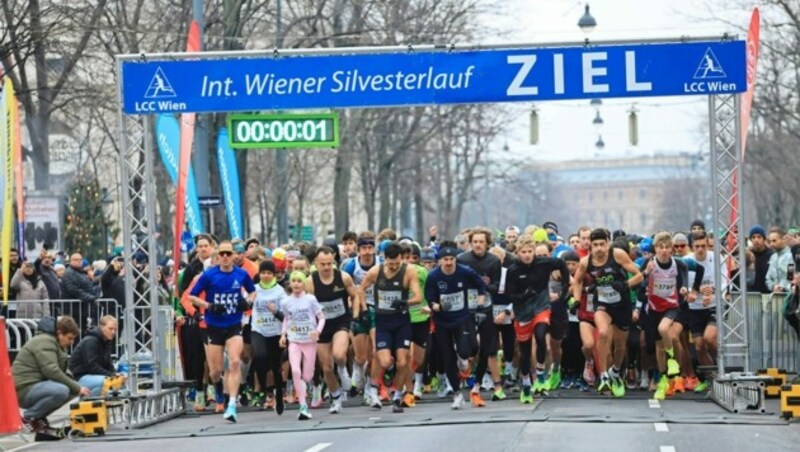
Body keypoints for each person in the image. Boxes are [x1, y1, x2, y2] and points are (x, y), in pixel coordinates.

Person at [189, 241, 256, 423]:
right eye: (222, 254)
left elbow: (253, 292)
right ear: (218, 256)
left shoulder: (241, 274)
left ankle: (232, 404)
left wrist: (248, 302)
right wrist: (209, 305)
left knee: (235, 362)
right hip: (214, 325)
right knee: (216, 371)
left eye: (229, 254)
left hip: (234, 324)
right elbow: (192, 296)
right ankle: (218, 387)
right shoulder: (209, 275)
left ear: (234, 255)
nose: (226, 257)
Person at [572, 228, 643, 398]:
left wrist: (625, 285)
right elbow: (577, 281)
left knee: (619, 345)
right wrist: (575, 300)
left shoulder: (617, 255)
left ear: (608, 244)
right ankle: (603, 375)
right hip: (602, 302)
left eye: (602, 244)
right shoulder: (585, 262)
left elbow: (639, 276)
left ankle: (616, 372)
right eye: (595, 245)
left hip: (622, 304)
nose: (598, 248)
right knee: (602, 332)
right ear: (590, 246)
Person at [359, 242, 422, 413]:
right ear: (384, 259)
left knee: (403, 362)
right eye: (391, 263)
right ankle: (373, 389)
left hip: (401, 321)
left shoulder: (408, 271)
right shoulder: (375, 271)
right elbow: (361, 289)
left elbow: (418, 296)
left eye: (397, 263)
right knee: (384, 361)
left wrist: (405, 302)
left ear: (401, 259)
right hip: (383, 321)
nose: (394, 266)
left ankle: (397, 396)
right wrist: (364, 310)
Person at [506, 236, 570, 402]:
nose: (527, 255)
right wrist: (523, 295)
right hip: (522, 311)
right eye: (523, 252)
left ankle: (541, 374)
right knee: (524, 352)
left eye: (530, 251)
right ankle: (526, 384)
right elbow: (509, 294)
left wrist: (565, 286)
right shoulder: (513, 270)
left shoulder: (544, 263)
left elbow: (562, 264)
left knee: (541, 335)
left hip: (541, 306)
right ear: (518, 253)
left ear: (534, 251)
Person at [425, 241, 486, 410]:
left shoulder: (465, 272)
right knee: (447, 357)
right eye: (445, 259)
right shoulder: (433, 276)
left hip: (462, 318)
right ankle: (457, 394)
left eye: (452, 259)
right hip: (442, 321)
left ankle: (464, 360)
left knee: (465, 351)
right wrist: (438, 307)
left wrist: (479, 306)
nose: (449, 262)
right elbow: (430, 301)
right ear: (440, 261)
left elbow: (481, 286)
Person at [13, 316, 90, 438]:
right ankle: (30, 417)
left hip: (35, 386)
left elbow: (60, 371)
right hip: (23, 389)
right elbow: (51, 370)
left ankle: (39, 418)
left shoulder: (55, 342)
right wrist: (76, 387)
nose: (71, 342)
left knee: (71, 389)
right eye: (69, 338)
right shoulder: (45, 341)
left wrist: (76, 386)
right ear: (59, 333)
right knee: (62, 390)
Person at [305, 246, 358, 414]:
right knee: (326, 367)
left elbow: (355, 296)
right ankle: (335, 396)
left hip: (340, 322)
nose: (327, 268)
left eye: (330, 264)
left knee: (339, 354)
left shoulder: (343, 277)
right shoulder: (310, 282)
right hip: (321, 326)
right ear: (316, 264)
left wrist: (355, 315)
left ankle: (342, 369)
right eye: (323, 264)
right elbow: (306, 306)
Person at [280, 271, 326, 421]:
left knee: (307, 376)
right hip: (294, 340)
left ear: (303, 284)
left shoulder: (310, 299)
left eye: (299, 281)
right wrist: (283, 335)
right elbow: (286, 319)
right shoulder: (286, 302)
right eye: (293, 281)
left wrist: (317, 331)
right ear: (290, 284)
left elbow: (321, 318)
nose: (296, 284)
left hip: (309, 341)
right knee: (295, 370)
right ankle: (303, 405)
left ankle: (309, 389)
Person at [250, 259, 287, 414]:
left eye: (269, 273)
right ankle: (263, 389)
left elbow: (286, 316)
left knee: (276, 366)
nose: (265, 276)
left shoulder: (279, 291)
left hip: (275, 331)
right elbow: (244, 304)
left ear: (274, 275)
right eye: (263, 273)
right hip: (258, 329)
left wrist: (275, 312)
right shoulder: (254, 289)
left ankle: (278, 396)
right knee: (259, 356)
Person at [68, 316, 124, 396]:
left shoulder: (106, 341)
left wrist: (116, 374)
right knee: (109, 382)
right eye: (110, 329)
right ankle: (85, 402)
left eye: (115, 330)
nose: (113, 332)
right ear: (101, 327)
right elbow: (92, 367)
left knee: (118, 381)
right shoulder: (90, 341)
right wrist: (112, 375)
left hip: (92, 375)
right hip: (79, 377)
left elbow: (109, 364)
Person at [60, 253, 99, 327]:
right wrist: (90, 297)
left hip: (81, 309)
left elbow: (87, 285)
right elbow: (73, 289)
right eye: (76, 260)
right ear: (71, 261)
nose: (79, 261)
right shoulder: (69, 273)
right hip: (73, 310)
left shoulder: (79, 272)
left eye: (80, 259)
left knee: (82, 329)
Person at [747, 225, 772, 294]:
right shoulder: (748, 255)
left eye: (759, 237)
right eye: (753, 237)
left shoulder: (771, 255)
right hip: (751, 295)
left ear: (764, 239)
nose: (756, 240)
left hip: (767, 294)